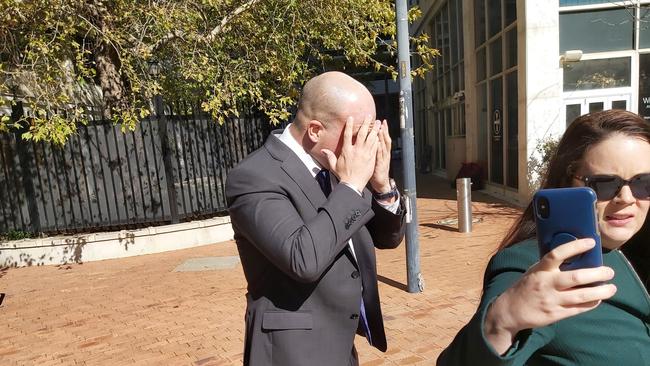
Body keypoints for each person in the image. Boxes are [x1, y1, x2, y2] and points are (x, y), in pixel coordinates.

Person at [437, 109, 650, 365]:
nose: (626, 198)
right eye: (604, 183)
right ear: (567, 183)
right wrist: (502, 323)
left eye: (643, 183)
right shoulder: (535, 266)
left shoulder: (638, 242)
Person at [226, 71, 405, 366]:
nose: (367, 143)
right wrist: (350, 186)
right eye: (358, 132)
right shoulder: (254, 177)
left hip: (341, 343)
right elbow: (302, 259)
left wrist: (382, 187)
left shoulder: (340, 166)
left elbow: (387, 238)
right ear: (315, 131)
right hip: (293, 351)